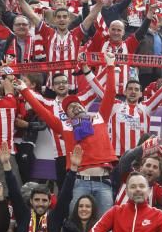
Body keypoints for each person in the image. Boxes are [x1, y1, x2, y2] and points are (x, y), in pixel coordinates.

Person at [14, 57, 117, 216]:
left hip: (103, 182)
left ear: (84, 106)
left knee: (106, 225)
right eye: (69, 108)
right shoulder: (65, 126)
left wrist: (110, 66)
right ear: (67, 116)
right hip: (80, 182)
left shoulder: (99, 117)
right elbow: (41, 110)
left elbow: (110, 93)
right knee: (74, 224)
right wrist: (24, 90)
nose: (74, 107)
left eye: (76, 104)